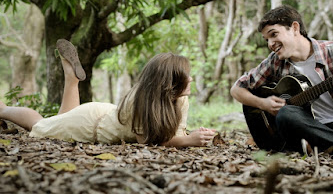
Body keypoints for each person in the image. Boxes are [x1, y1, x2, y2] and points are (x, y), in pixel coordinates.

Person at [231, 5, 333, 163]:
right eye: (266, 39)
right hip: (305, 130)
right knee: (286, 113)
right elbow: (237, 89)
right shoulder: (275, 62)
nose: (270, 44)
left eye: (274, 34)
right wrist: (264, 104)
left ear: (295, 28)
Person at [0, 39, 216, 147]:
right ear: (168, 83)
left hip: (105, 113)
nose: (191, 79)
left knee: (55, 118)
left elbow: (175, 134)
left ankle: (72, 79)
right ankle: (3, 109)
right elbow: (147, 141)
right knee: (40, 124)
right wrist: (189, 141)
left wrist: (194, 136)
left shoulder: (180, 99)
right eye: (185, 76)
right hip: (88, 124)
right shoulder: (139, 100)